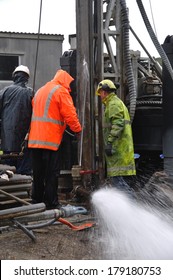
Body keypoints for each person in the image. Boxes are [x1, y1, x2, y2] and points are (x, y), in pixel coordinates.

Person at [28, 69, 82, 209]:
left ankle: (36, 201)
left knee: (38, 173)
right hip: (50, 140)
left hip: (35, 140)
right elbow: (69, 114)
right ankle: (51, 203)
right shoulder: (61, 91)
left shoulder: (41, 90)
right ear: (65, 80)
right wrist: (77, 130)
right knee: (52, 173)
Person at [96, 79, 136, 193]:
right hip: (122, 152)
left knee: (121, 188)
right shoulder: (116, 103)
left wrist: (109, 143)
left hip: (118, 151)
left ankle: (127, 209)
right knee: (123, 186)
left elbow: (117, 124)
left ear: (104, 92)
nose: (100, 96)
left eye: (100, 94)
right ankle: (128, 209)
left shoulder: (113, 104)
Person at [0, 65, 34, 175]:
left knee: (7, 173)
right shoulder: (31, 93)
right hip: (24, 143)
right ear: (27, 78)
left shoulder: (4, 91)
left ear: (14, 76)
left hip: (7, 142)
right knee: (24, 174)